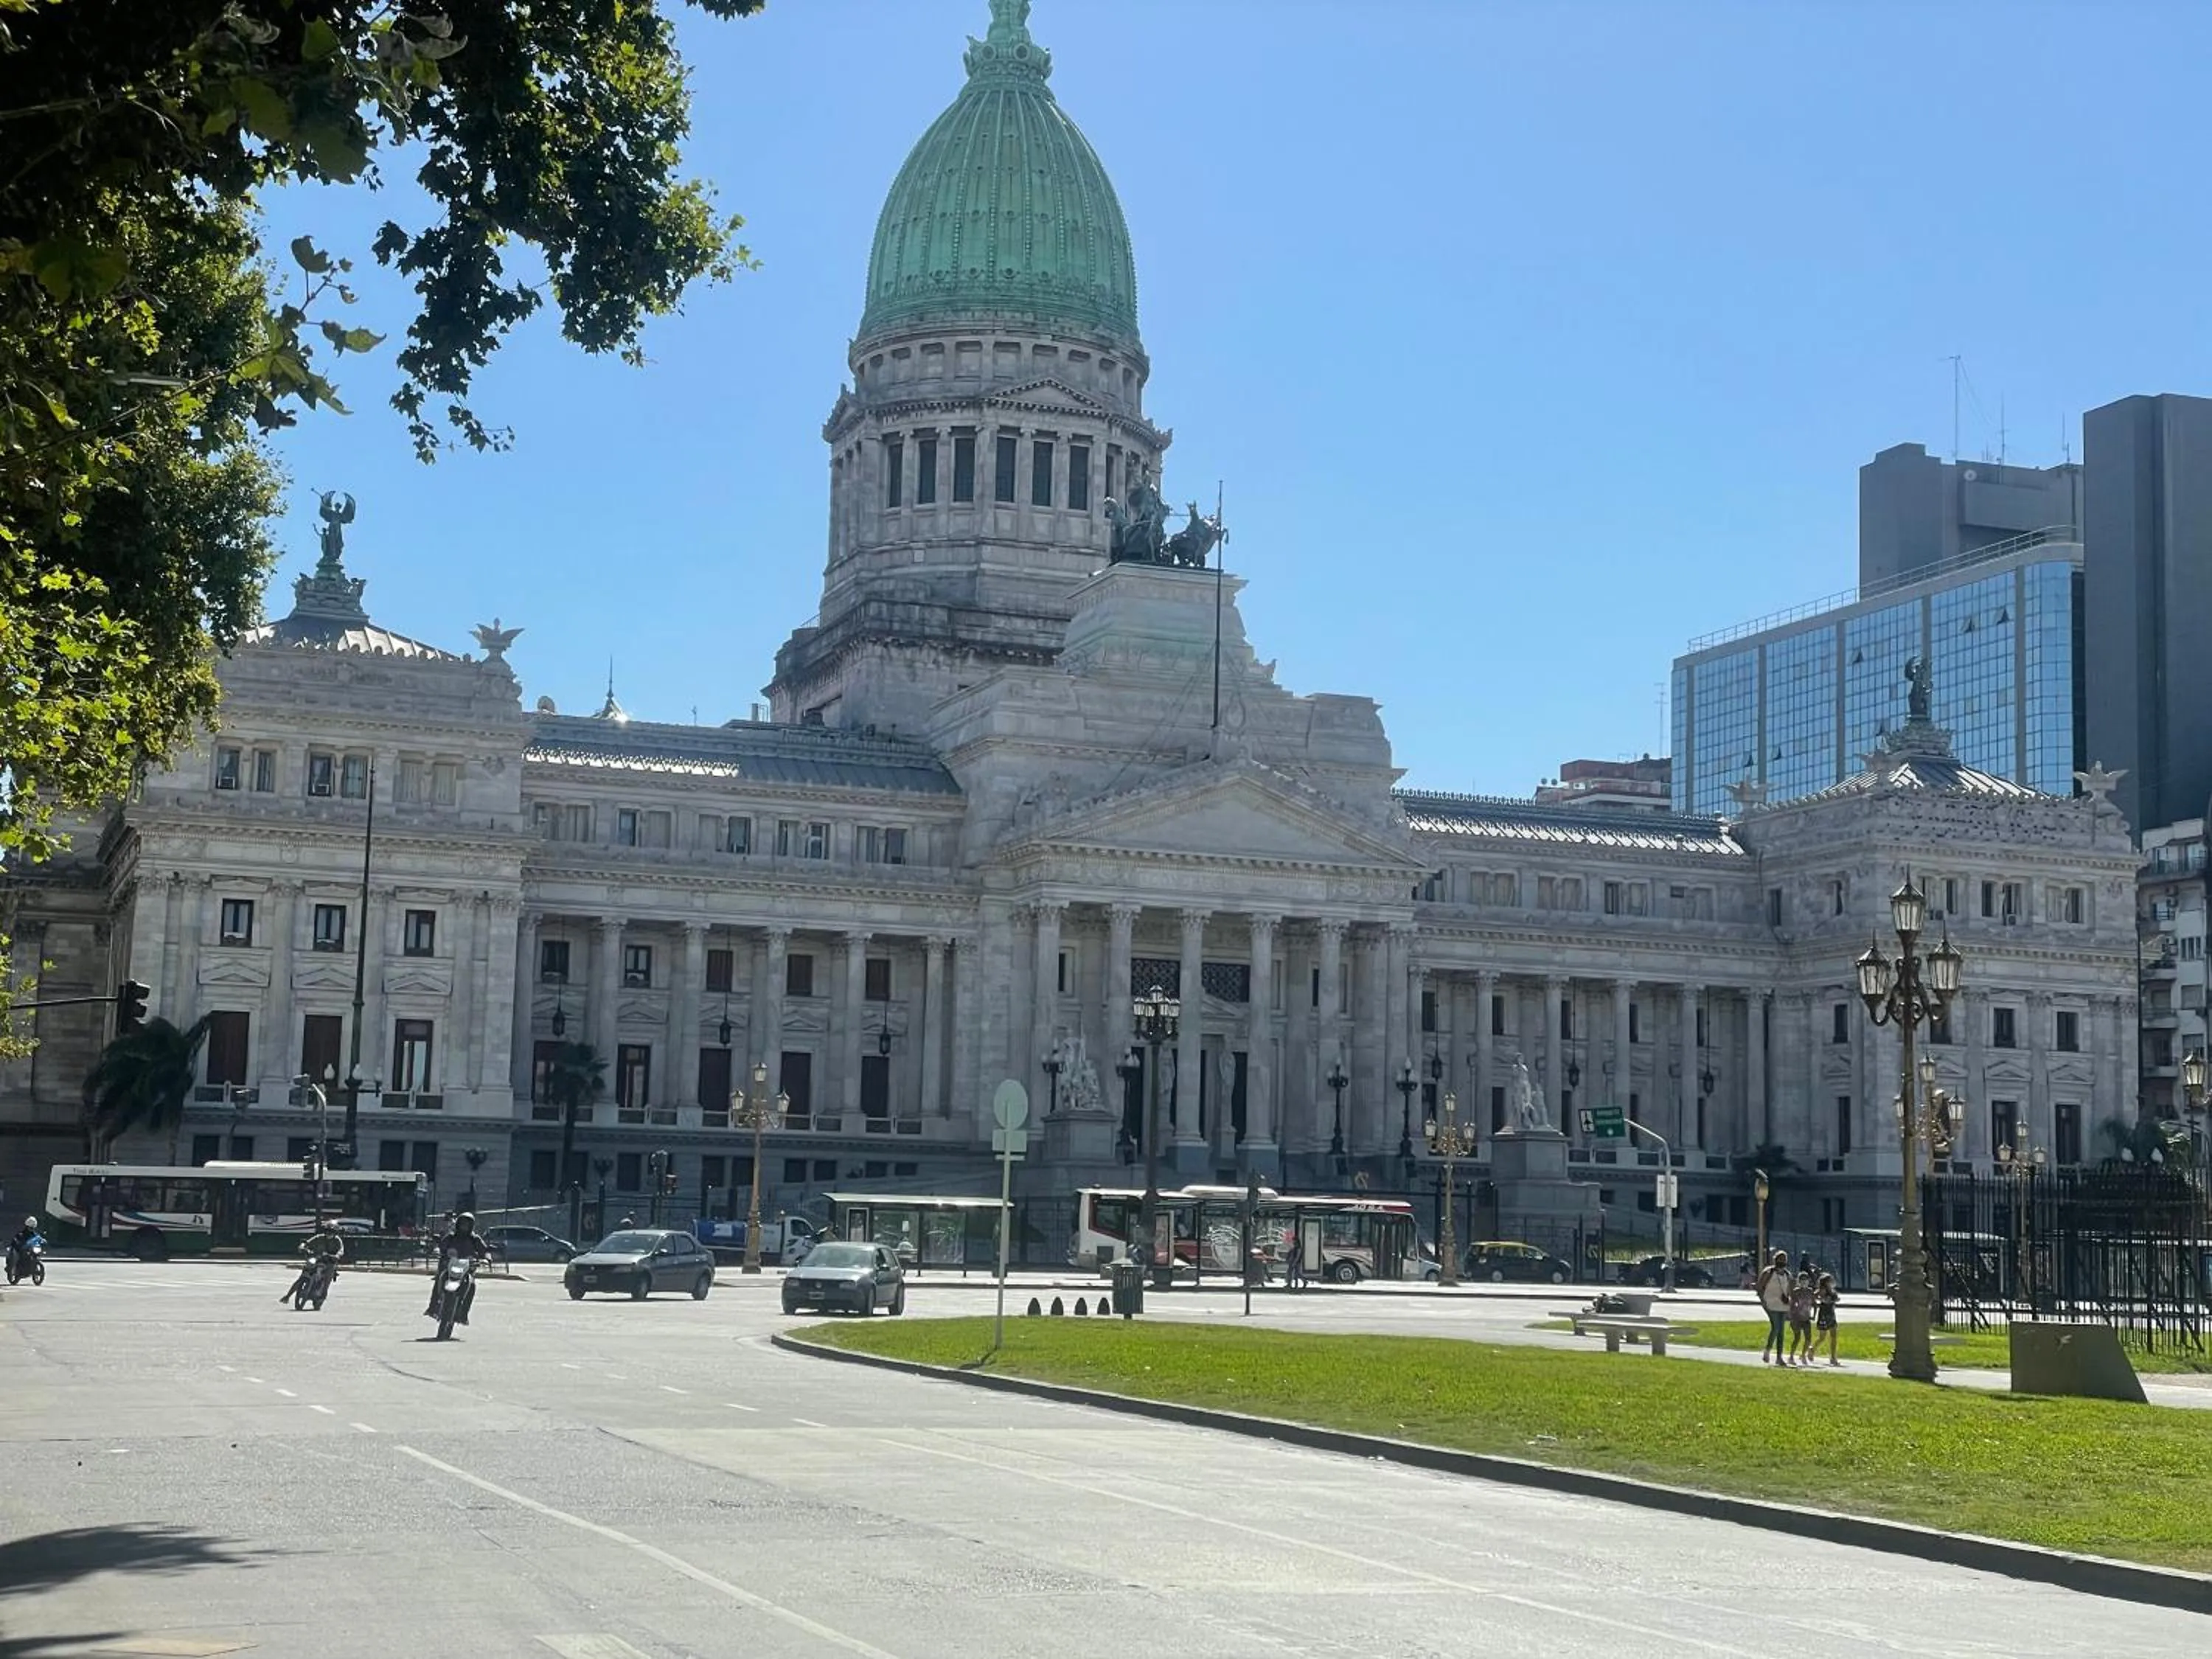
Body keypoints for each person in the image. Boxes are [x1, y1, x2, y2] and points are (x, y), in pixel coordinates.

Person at [423, 1211, 492, 1321]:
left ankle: (464, 1314)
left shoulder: (475, 1239)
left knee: (472, 1286)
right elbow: (441, 1246)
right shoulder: (451, 1237)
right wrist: (437, 1251)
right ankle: (432, 1308)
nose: (464, 1226)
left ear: (471, 1226)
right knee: (439, 1281)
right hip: (449, 1266)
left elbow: (485, 1250)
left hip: (467, 1269)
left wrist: (487, 1258)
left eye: (467, 1224)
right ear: (458, 1224)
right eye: (462, 1224)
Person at [282, 1220, 347, 1304]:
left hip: (329, 1262)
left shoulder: (337, 1241)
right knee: (303, 1275)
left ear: (335, 1233)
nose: (329, 1233)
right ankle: (288, 1296)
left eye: (331, 1232)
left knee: (327, 1279)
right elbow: (307, 1243)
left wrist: (336, 1256)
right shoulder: (319, 1237)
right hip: (317, 1259)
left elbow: (341, 1251)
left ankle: (322, 1296)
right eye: (327, 1231)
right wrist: (302, 1247)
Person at [1756, 1248, 1792, 1365]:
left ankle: (1779, 1357)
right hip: (1770, 1303)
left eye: (1785, 1260)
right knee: (1775, 1327)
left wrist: (1791, 1301)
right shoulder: (1769, 1272)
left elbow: (1790, 1289)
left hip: (1783, 1304)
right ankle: (1768, 1350)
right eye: (1780, 1259)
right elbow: (1759, 1287)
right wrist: (1763, 1301)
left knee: (1781, 1331)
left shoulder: (1787, 1274)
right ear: (1775, 1260)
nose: (1783, 1262)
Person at [1787, 1270, 1816, 1366]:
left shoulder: (1810, 1291)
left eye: (1806, 1280)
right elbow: (1791, 1305)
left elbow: (1814, 1304)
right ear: (1799, 1281)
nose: (1804, 1282)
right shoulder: (1796, 1292)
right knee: (1797, 1338)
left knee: (1808, 1338)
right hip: (1797, 1318)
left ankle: (1803, 1354)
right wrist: (1791, 1316)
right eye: (1802, 1280)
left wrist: (1813, 1315)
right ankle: (1791, 1356)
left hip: (1806, 1318)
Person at [1815, 1272, 1841, 1366]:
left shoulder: (1832, 1291)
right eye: (1830, 1280)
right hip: (1824, 1314)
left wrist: (1836, 1299)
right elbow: (1815, 1295)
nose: (1832, 1282)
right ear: (1825, 1282)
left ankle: (1833, 1357)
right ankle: (1812, 1349)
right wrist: (1822, 1299)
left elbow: (1836, 1298)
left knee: (1834, 1335)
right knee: (1822, 1337)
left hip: (1831, 1314)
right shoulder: (1823, 1290)